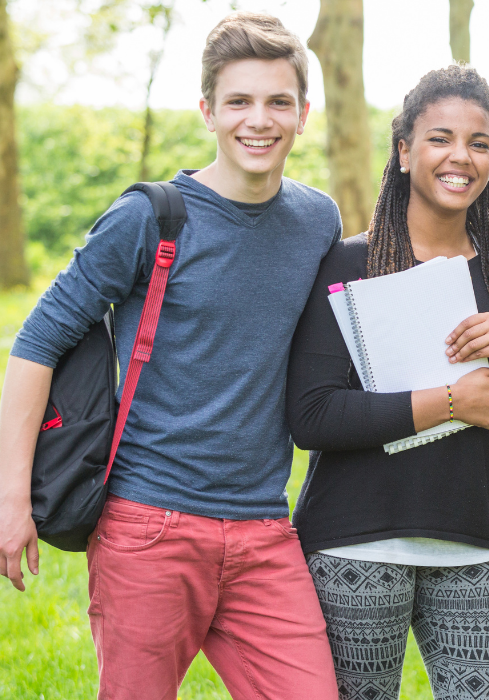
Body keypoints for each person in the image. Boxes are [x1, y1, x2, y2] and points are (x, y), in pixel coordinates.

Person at [0, 12, 341, 699]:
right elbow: (36, 341)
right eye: (239, 101)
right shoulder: (149, 218)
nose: (259, 120)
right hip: (148, 526)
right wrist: (10, 498)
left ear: (304, 114)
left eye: (278, 102)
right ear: (207, 111)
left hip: (263, 529)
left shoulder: (318, 220)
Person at [287, 65, 489, 700]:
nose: (461, 156)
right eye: (440, 138)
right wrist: (450, 401)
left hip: (471, 544)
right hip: (355, 545)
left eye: (479, 143)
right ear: (404, 151)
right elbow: (312, 416)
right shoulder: (348, 264)